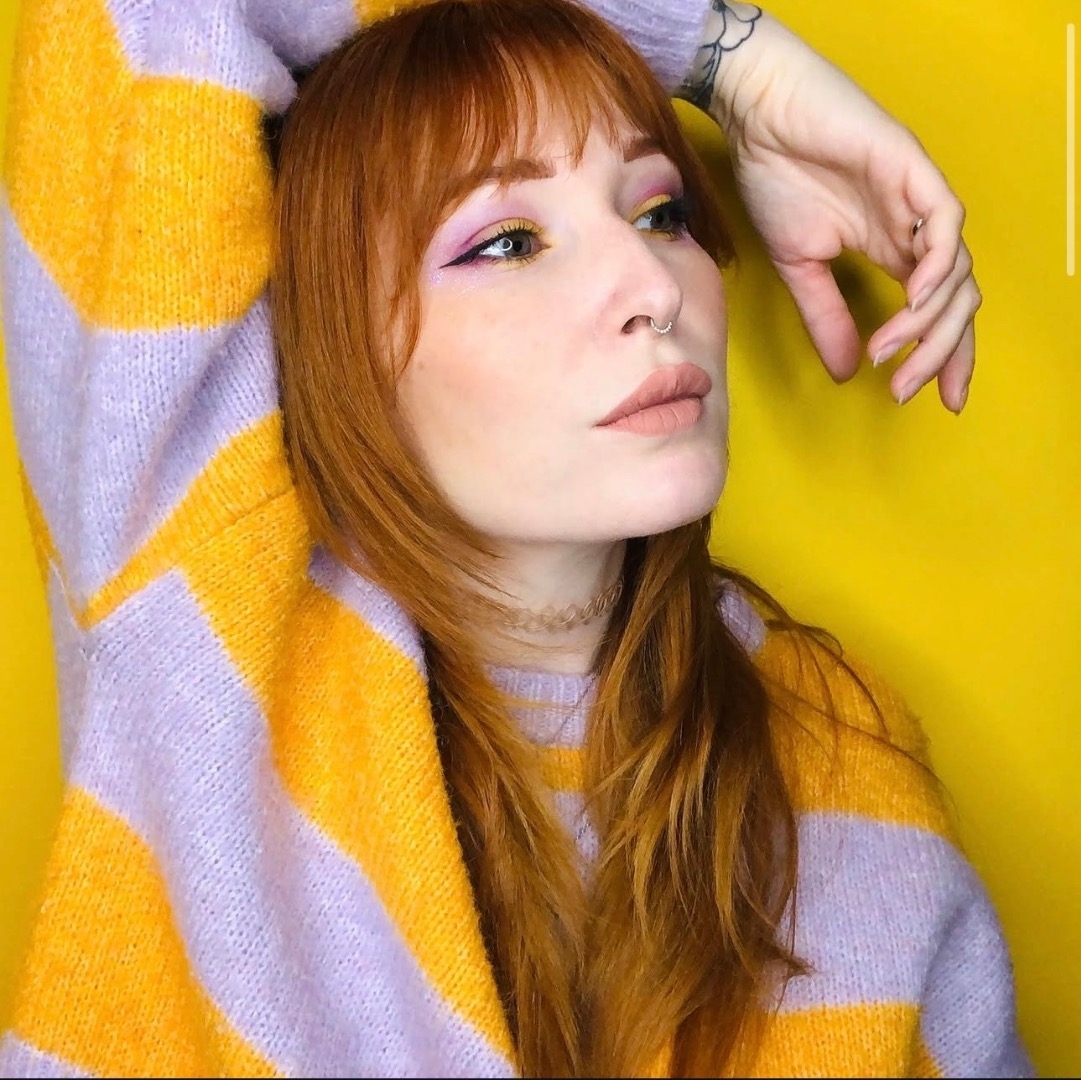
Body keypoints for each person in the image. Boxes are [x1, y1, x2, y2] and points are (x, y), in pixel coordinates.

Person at [0, 0, 1018, 1077]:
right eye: (508, 241)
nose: (651, 290)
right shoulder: (205, 615)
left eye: (661, 212)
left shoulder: (844, 773)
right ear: (332, 338)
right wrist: (736, 64)